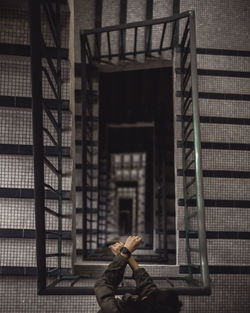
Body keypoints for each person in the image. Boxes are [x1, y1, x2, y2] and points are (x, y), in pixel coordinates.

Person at [94, 235, 182, 313]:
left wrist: (125, 252)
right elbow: (149, 288)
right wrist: (126, 254)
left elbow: (104, 284)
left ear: (145, 299)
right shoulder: (153, 307)